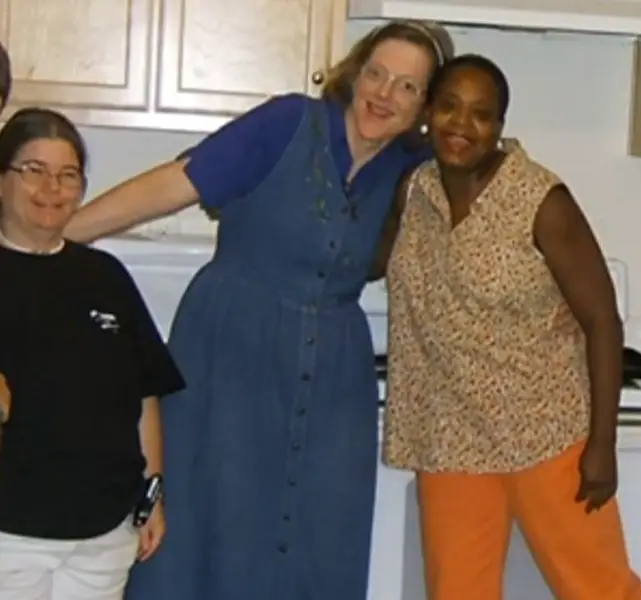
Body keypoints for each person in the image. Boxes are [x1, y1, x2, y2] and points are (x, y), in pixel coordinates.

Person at [63, 20, 453, 600]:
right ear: (355, 73)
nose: (384, 94)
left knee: (320, 531)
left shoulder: (409, 171)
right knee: (208, 516)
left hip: (333, 382)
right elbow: (175, 184)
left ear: (423, 106)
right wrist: (60, 237)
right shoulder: (287, 124)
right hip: (228, 353)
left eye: (407, 86)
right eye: (377, 73)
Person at [374, 54, 641, 600]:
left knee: (599, 589)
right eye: (449, 106)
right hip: (451, 438)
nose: (462, 124)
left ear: (500, 126)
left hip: (544, 433)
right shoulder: (415, 191)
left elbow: (602, 321)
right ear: (428, 111)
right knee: (457, 592)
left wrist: (602, 444)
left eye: (481, 114)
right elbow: (368, 262)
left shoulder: (541, 201)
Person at [0, 108, 185, 600]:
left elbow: (144, 397)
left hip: (104, 535)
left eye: (68, 175)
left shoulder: (105, 276)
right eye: (34, 170)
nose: (52, 188)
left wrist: (153, 494)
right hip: (12, 534)